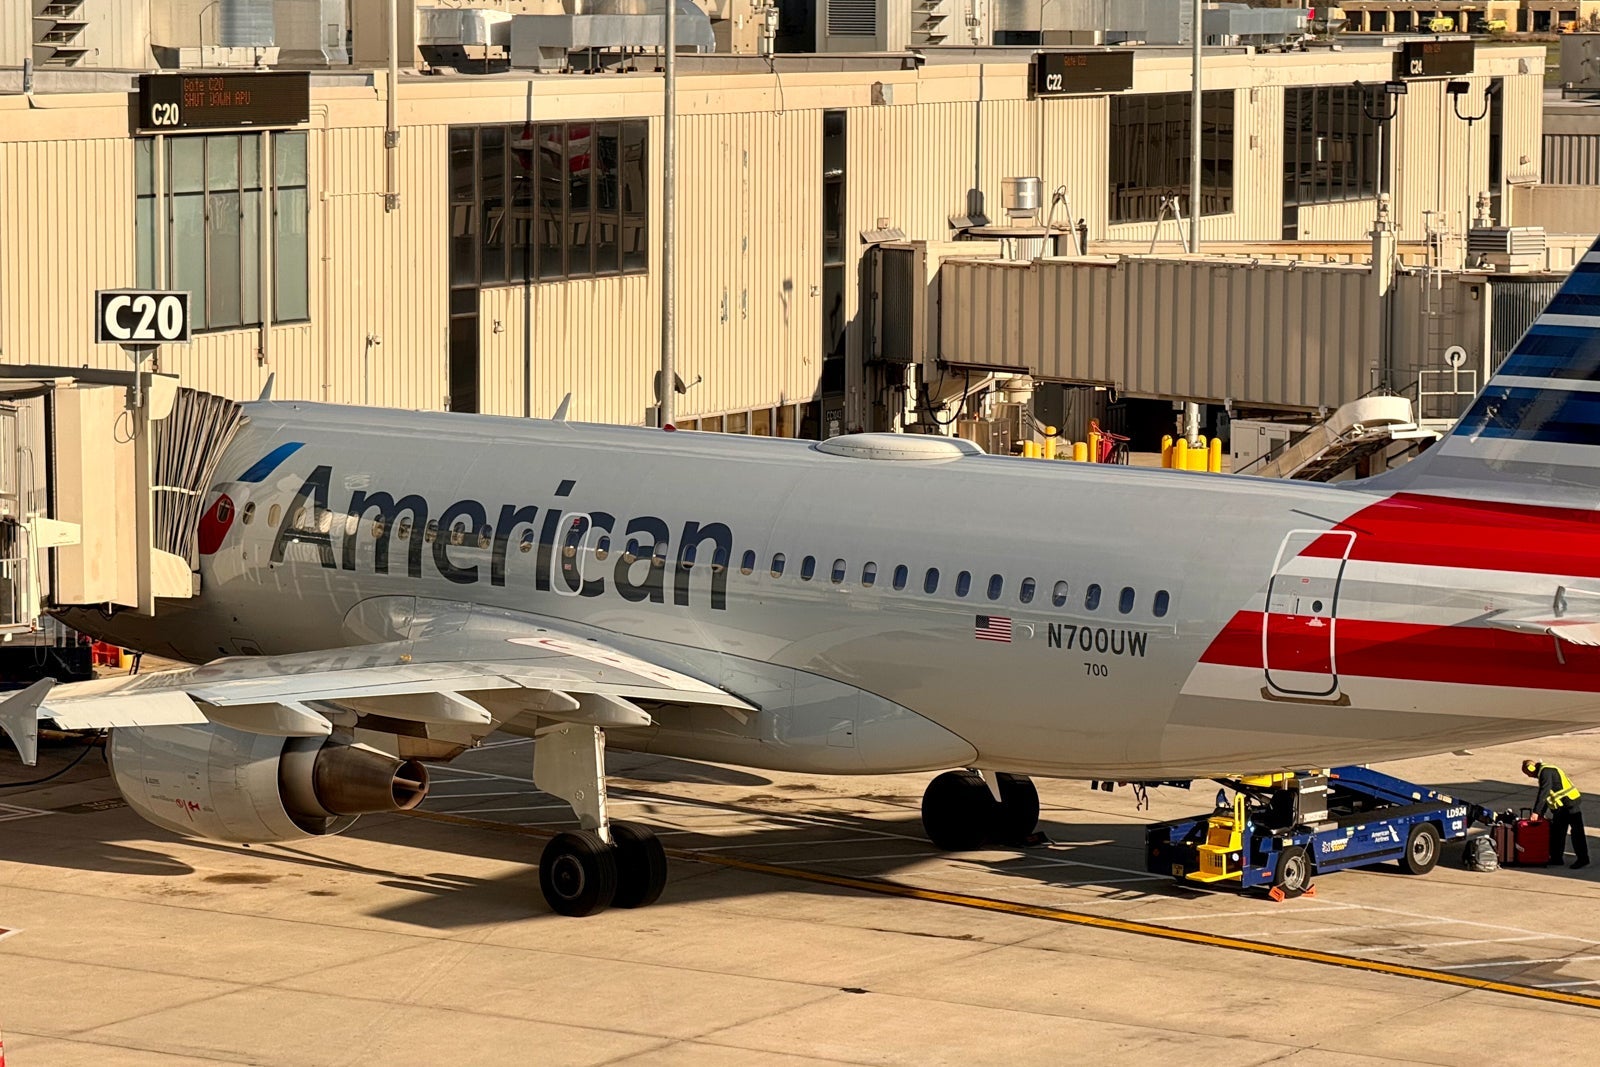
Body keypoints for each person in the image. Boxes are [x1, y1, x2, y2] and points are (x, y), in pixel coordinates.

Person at [1523, 758, 1590, 869]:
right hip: (1561, 808)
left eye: (1528, 773)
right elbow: (1548, 795)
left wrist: (1536, 812)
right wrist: (1541, 813)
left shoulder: (1546, 772)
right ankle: (1556, 858)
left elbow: (1543, 792)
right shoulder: (1544, 772)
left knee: (1577, 832)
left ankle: (1583, 859)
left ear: (1531, 768)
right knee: (1557, 832)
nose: (1529, 776)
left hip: (1570, 804)